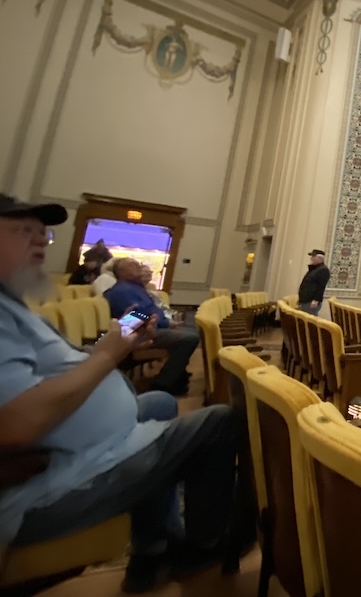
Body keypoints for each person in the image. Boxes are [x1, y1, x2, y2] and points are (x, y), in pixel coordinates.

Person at [0, 194, 237, 592]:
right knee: (219, 422)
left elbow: (63, 364)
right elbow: (16, 423)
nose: (41, 240)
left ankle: (151, 549)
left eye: (44, 234)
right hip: (65, 476)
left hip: (83, 449)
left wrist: (117, 343)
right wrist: (109, 354)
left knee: (159, 403)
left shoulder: (14, 307)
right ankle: (200, 550)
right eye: (24, 231)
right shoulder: (7, 313)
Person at [105, 258, 198, 396]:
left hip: (152, 327)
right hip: (140, 332)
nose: (138, 266)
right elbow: (136, 315)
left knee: (190, 333)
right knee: (189, 338)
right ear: (121, 272)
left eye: (137, 264)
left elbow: (153, 310)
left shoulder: (135, 288)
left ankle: (177, 378)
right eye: (132, 265)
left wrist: (166, 322)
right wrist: (164, 323)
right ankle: (163, 384)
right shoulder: (122, 290)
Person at [298, 248, 330, 315]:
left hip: (311, 302)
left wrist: (316, 300)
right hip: (305, 301)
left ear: (320, 258)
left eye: (313, 256)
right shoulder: (314, 269)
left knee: (309, 320)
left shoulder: (323, 270)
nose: (311, 258)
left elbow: (321, 286)